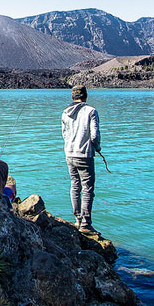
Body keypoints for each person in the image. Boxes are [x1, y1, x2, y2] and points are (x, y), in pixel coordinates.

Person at [61, 85, 101, 234]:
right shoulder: (91, 111)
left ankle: (77, 219)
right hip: (85, 155)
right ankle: (85, 223)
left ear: (73, 97)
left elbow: (64, 134)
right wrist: (97, 148)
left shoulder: (65, 113)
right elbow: (94, 136)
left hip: (69, 154)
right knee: (87, 189)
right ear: (85, 96)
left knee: (75, 186)